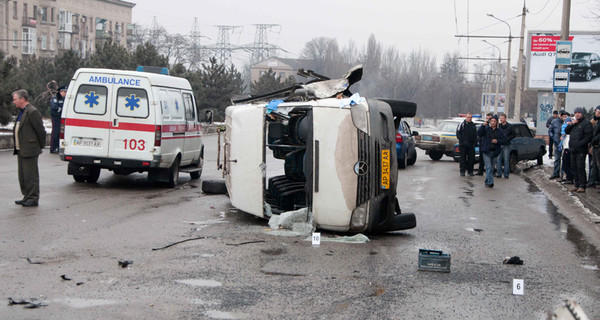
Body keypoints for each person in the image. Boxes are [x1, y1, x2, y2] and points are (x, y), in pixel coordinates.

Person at [12, 89, 46, 207]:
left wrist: (38, 146)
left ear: (22, 99)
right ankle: (27, 196)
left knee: (31, 175)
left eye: (15, 99)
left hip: (30, 149)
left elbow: (41, 131)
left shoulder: (32, 112)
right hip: (21, 149)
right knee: (23, 175)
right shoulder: (21, 111)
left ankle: (33, 198)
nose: (14, 102)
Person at [565, 107, 593, 193]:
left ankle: (582, 185)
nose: (577, 114)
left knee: (580, 167)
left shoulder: (586, 123)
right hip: (572, 149)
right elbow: (566, 131)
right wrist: (571, 124)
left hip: (581, 149)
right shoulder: (574, 123)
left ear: (582, 114)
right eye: (576, 113)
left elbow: (588, 137)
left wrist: (580, 144)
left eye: (579, 113)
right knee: (573, 167)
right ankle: (576, 184)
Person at [478, 115, 506, 188]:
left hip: (494, 151)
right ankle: (491, 182)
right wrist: (483, 125)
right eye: (492, 121)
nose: (493, 123)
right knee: (488, 167)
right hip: (486, 151)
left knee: (492, 168)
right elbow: (479, 133)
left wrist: (497, 141)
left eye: (494, 121)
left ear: (497, 122)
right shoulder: (486, 129)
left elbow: (504, 140)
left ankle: (487, 181)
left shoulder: (500, 131)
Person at [549, 111, 565, 180]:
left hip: (565, 143)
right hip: (557, 142)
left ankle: (563, 174)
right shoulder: (554, 121)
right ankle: (556, 173)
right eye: (562, 116)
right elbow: (550, 131)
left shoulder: (567, 122)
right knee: (557, 158)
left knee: (565, 159)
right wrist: (553, 138)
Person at [50, 85, 66, 153]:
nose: (66, 93)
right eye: (65, 92)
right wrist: (60, 109)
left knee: (61, 133)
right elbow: (54, 106)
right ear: (61, 92)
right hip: (56, 117)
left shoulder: (64, 99)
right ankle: (53, 147)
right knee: (55, 132)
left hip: (61, 117)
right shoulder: (56, 98)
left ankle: (59, 147)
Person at [496, 113, 514, 179]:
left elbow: (513, 135)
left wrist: (507, 139)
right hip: (499, 144)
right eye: (500, 118)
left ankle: (506, 174)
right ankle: (499, 173)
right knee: (498, 160)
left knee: (506, 160)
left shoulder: (510, 126)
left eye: (502, 118)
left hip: (506, 145)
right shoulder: (498, 126)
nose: (501, 119)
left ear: (505, 118)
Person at [559, 113, 574, 185]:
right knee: (565, 164)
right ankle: (568, 178)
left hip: (569, 149)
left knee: (568, 164)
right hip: (565, 148)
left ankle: (570, 178)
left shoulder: (570, 133)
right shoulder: (564, 132)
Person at [590, 105, 600, 189]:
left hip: (597, 144)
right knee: (594, 164)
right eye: (597, 111)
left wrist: (594, 140)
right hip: (595, 145)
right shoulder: (594, 121)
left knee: (598, 164)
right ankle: (592, 181)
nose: (598, 113)